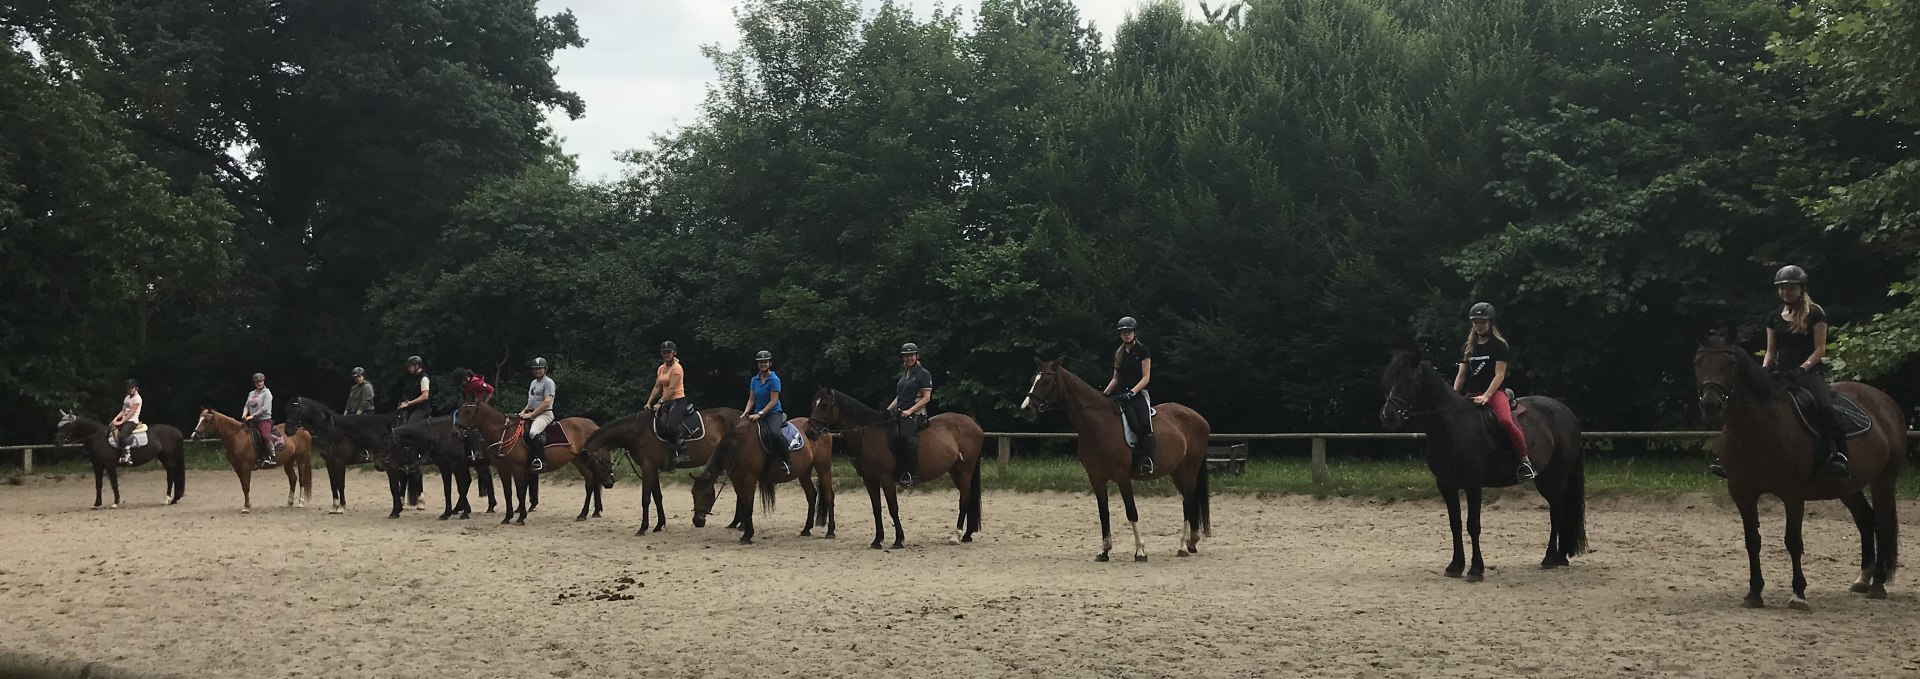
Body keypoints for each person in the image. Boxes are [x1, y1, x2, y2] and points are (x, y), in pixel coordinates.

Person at [1763, 265, 1849, 477]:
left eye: (1790, 288)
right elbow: (1771, 351)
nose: (1785, 292)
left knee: (1826, 407)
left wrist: (1802, 369)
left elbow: (1820, 349)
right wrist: (1764, 371)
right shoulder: (1774, 317)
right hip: (1781, 374)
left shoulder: (1815, 313)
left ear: (1801, 288)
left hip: (1809, 374)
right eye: (1782, 288)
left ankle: (1838, 453)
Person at [1451, 303, 1535, 481]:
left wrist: (1487, 396)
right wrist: (1453, 396)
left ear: (1490, 323)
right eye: (1475, 322)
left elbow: (1499, 375)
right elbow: (1461, 375)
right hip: (1471, 394)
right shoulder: (1469, 347)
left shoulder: (1499, 346)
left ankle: (1524, 461)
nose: (1478, 325)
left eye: (1482, 322)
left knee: (1505, 421)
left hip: (1494, 393)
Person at [1102, 317, 1156, 476]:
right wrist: (1104, 394)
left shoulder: (1143, 351)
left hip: (1137, 395)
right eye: (1123, 332)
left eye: (1129, 332)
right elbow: (1116, 378)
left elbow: (1146, 377)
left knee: (1144, 423)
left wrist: (1132, 392)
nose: (1126, 335)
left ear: (1134, 333)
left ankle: (1150, 460)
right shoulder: (1119, 353)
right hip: (1121, 395)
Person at [885, 343, 933, 486]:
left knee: (905, 436)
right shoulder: (904, 375)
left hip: (917, 413)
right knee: (890, 435)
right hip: (901, 412)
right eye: (906, 356)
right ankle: (897, 470)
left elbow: (926, 397)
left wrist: (911, 410)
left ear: (917, 356)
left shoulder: (923, 374)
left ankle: (914, 473)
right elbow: (899, 396)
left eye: (911, 355)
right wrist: (888, 410)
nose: (909, 358)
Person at [643, 341, 692, 465]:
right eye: (664, 352)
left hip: (677, 400)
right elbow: (657, 387)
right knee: (658, 425)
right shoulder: (661, 368)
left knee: (671, 426)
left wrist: (659, 402)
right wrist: (648, 402)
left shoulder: (677, 368)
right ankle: (667, 456)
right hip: (666, 402)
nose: (666, 354)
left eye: (668, 352)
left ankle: (683, 452)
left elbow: (671, 389)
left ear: (673, 353)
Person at [450, 367, 495, 462]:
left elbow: (491, 390)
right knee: (454, 415)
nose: (461, 384)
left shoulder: (476, 383)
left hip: (479, 407)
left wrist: (484, 404)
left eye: (461, 382)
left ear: (465, 378)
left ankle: (480, 449)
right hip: (470, 407)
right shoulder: (465, 385)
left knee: (474, 427)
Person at [521, 357, 557, 472]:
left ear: (545, 369)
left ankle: (541, 460)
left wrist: (531, 415)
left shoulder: (548, 382)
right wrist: (523, 411)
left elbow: (547, 402)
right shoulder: (533, 383)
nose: (538, 371)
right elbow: (531, 401)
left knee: (533, 432)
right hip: (532, 412)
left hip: (545, 414)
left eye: (540, 369)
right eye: (536, 369)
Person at [243, 372, 280, 468]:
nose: (259, 383)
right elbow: (247, 405)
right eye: (257, 382)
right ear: (254, 383)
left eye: (261, 381)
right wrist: (244, 414)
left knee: (265, 436)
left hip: (264, 420)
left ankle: (272, 456)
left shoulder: (267, 393)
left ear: (263, 381)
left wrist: (254, 415)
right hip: (252, 420)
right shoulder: (251, 393)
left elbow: (265, 408)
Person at [109, 379, 142, 466]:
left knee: (123, 435)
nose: (130, 390)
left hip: (132, 421)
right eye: (129, 388)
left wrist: (121, 422)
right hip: (125, 420)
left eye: (132, 388)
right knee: (110, 430)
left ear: (136, 388)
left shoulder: (137, 398)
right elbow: (123, 411)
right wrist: (115, 420)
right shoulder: (127, 398)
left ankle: (128, 455)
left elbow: (132, 412)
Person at [393, 356, 431, 426]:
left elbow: (425, 396)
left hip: (421, 409)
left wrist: (409, 403)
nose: (408, 369)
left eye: (410, 366)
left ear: (417, 366)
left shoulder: (424, 378)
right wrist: (404, 403)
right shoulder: (412, 378)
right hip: (412, 408)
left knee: (410, 427)